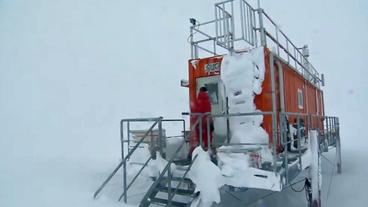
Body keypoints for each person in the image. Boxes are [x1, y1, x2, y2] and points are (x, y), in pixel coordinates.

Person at [193, 87, 214, 151]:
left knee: (200, 136)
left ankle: (200, 149)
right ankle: (208, 148)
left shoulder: (198, 100)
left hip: (200, 121)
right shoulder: (208, 100)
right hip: (208, 120)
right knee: (208, 135)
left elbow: (196, 110)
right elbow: (208, 110)